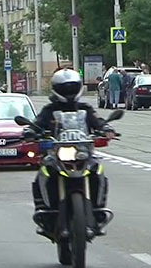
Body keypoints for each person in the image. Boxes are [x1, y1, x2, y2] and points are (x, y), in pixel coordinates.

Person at [23, 69, 116, 235]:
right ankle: (44, 213)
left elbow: (97, 120)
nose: (69, 92)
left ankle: (98, 211)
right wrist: (31, 131)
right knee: (42, 175)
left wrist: (106, 128)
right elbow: (37, 123)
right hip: (55, 154)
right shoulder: (49, 110)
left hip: (82, 152)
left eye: (72, 88)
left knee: (97, 171)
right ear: (56, 89)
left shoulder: (85, 108)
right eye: (65, 88)